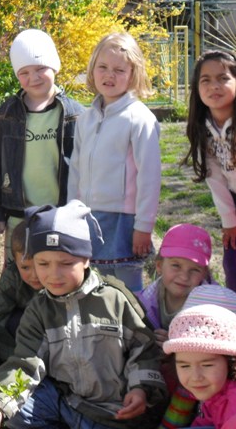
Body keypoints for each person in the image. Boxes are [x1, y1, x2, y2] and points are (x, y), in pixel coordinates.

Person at [0, 200, 168, 429]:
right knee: (15, 413)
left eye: (65, 263)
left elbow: (144, 350)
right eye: (43, 263)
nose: (53, 274)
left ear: (86, 259)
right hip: (65, 401)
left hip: (112, 411)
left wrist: (140, 389)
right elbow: (25, 363)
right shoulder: (39, 309)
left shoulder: (115, 300)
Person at [68, 32, 161, 292]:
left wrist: (143, 226)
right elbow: (75, 170)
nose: (109, 75)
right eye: (103, 67)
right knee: (92, 284)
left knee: (126, 288)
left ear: (133, 74)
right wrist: (70, 212)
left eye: (119, 70)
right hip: (87, 217)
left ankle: (133, 320)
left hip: (123, 220)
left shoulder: (139, 118)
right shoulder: (86, 119)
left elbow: (149, 176)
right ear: (92, 69)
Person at [0, 29, 85, 262]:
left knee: (54, 272)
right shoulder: (7, 113)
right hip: (18, 215)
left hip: (61, 215)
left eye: (41, 68)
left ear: (55, 67)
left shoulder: (75, 113)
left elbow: (86, 169)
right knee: (18, 272)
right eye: (24, 72)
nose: (34, 77)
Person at [183, 49, 236, 320]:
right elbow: (214, 175)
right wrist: (229, 219)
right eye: (206, 80)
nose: (214, 86)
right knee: (235, 267)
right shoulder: (203, 126)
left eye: (223, 78)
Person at [159, 285, 236, 428]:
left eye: (207, 365)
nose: (196, 376)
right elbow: (204, 420)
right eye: (184, 366)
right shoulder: (217, 385)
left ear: (231, 361)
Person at [137, 223, 213, 346]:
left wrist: (178, 344)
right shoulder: (144, 301)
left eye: (195, 270)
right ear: (159, 266)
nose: (184, 277)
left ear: (204, 273)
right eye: (176, 265)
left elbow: (213, 346)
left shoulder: (212, 308)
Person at [0, 220, 43, 364]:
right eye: (25, 267)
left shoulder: (58, 281)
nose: (34, 275)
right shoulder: (11, 279)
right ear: (15, 263)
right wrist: (13, 359)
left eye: (41, 265)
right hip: (18, 340)